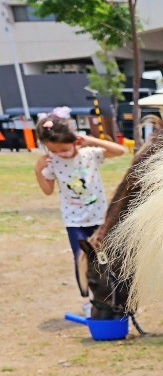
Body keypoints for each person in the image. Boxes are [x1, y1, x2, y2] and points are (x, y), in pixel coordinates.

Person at [32, 107, 127, 315]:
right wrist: (38, 171)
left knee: (106, 256)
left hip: (99, 218)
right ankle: (87, 299)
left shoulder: (89, 154)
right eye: (53, 150)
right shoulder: (52, 163)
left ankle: (112, 293)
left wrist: (92, 140)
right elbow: (47, 190)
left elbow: (121, 151)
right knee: (81, 259)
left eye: (63, 149)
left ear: (74, 140)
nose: (60, 154)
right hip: (74, 221)